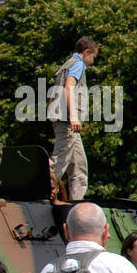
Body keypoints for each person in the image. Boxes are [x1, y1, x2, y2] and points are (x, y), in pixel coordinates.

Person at [49, 37, 99, 202]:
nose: (92, 61)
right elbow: (69, 87)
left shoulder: (66, 65)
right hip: (67, 121)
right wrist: (73, 117)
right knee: (59, 161)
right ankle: (41, 191)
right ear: (86, 52)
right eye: (93, 57)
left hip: (62, 119)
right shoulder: (78, 64)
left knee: (79, 165)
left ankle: (76, 203)